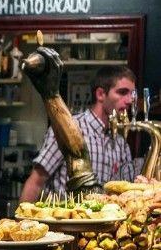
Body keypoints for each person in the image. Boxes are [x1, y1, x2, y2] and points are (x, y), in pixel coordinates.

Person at [20, 65, 137, 202]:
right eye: (122, 92)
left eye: (132, 94)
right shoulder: (70, 127)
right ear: (100, 94)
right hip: (64, 219)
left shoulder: (120, 142)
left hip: (101, 220)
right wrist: (22, 221)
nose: (130, 100)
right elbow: (36, 181)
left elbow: (127, 192)